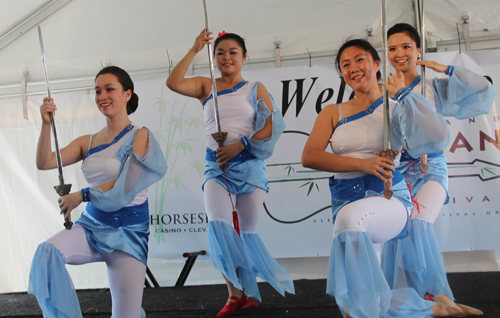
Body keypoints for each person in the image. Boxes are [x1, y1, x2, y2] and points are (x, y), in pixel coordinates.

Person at [301, 38, 475, 317]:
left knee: (348, 225)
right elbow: (310, 156)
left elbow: (435, 137)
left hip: (388, 199)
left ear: (377, 64)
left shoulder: (394, 104)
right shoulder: (334, 112)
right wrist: (364, 163)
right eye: (345, 64)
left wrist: (405, 97)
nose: (353, 68)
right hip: (346, 201)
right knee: (364, 298)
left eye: (360, 60)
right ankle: (435, 309)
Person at [166, 29, 294, 317]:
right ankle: (233, 293)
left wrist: (242, 144)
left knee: (245, 232)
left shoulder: (255, 88)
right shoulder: (205, 86)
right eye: (220, 52)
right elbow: (172, 83)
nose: (226, 57)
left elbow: (272, 126)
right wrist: (194, 49)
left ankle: (248, 293)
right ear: (214, 58)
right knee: (219, 225)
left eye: (233, 52)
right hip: (216, 167)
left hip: (249, 167)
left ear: (244, 57)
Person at [28, 66, 168, 318]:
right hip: (92, 227)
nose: (102, 95)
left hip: (127, 235)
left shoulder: (141, 135)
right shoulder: (88, 141)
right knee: (46, 254)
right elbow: (45, 162)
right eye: (97, 91)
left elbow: (124, 184)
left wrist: (81, 195)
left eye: (109, 89)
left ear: (127, 94)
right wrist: (46, 124)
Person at [381, 23, 494, 314]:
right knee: (398, 234)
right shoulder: (384, 93)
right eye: (392, 48)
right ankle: (416, 303)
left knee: (419, 224)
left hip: (431, 169)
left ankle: (439, 297)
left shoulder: (433, 86)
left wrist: (446, 69)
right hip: (399, 175)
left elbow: (483, 90)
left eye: (406, 46)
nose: (399, 53)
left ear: (418, 49)